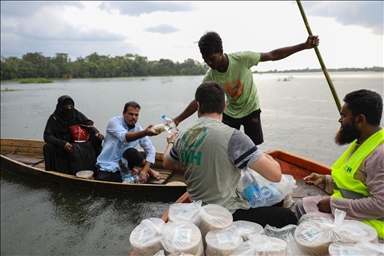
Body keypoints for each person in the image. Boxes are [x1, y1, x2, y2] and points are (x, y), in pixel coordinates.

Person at [163, 81, 297, 228]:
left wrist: (170, 142)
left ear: (198, 106)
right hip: (226, 215)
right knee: (288, 216)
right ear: (225, 107)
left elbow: (166, 163)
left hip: (198, 211)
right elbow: (275, 176)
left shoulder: (183, 135)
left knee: (275, 201)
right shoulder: (233, 137)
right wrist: (271, 160)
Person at [173, 31, 320, 145]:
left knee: (252, 147)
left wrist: (304, 46)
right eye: (206, 61)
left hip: (251, 109)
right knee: (226, 144)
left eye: (212, 58)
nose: (210, 63)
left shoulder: (242, 59)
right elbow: (198, 101)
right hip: (230, 112)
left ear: (221, 51)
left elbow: (272, 55)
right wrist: (177, 120)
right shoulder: (210, 76)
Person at [296, 89, 384, 240]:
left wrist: (334, 205)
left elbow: (380, 205)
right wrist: (325, 180)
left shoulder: (380, 154)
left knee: (308, 223)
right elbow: (355, 184)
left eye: (343, 116)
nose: (340, 120)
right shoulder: (362, 142)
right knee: (301, 205)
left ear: (360, 120)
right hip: (348, 208)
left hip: (374, 222)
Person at [95, 101, 161, 183]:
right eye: (130, 114)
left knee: (131, 152)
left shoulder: (138, 128)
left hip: (125, 166)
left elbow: (151, 150)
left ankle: (142, 172)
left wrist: (145, 170)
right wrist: (145, 132)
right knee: (103, 180)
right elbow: (124, 137)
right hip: (108, 165)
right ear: (123, 113)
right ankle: (134, 174)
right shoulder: (114, 122)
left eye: (136, 115)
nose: (134, 117)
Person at [43, 95, 104, 175]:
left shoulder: (76, 114)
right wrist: (62, 143)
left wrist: (96, 133)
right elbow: (47, 136)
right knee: (48, 147)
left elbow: (88, 124)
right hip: (62, 147)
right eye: (66, 106)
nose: (69, 109)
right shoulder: (54, 118)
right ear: (60, 107)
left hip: (77, 145)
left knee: (95, 140)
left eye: (71, 106)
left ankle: (97, 168)